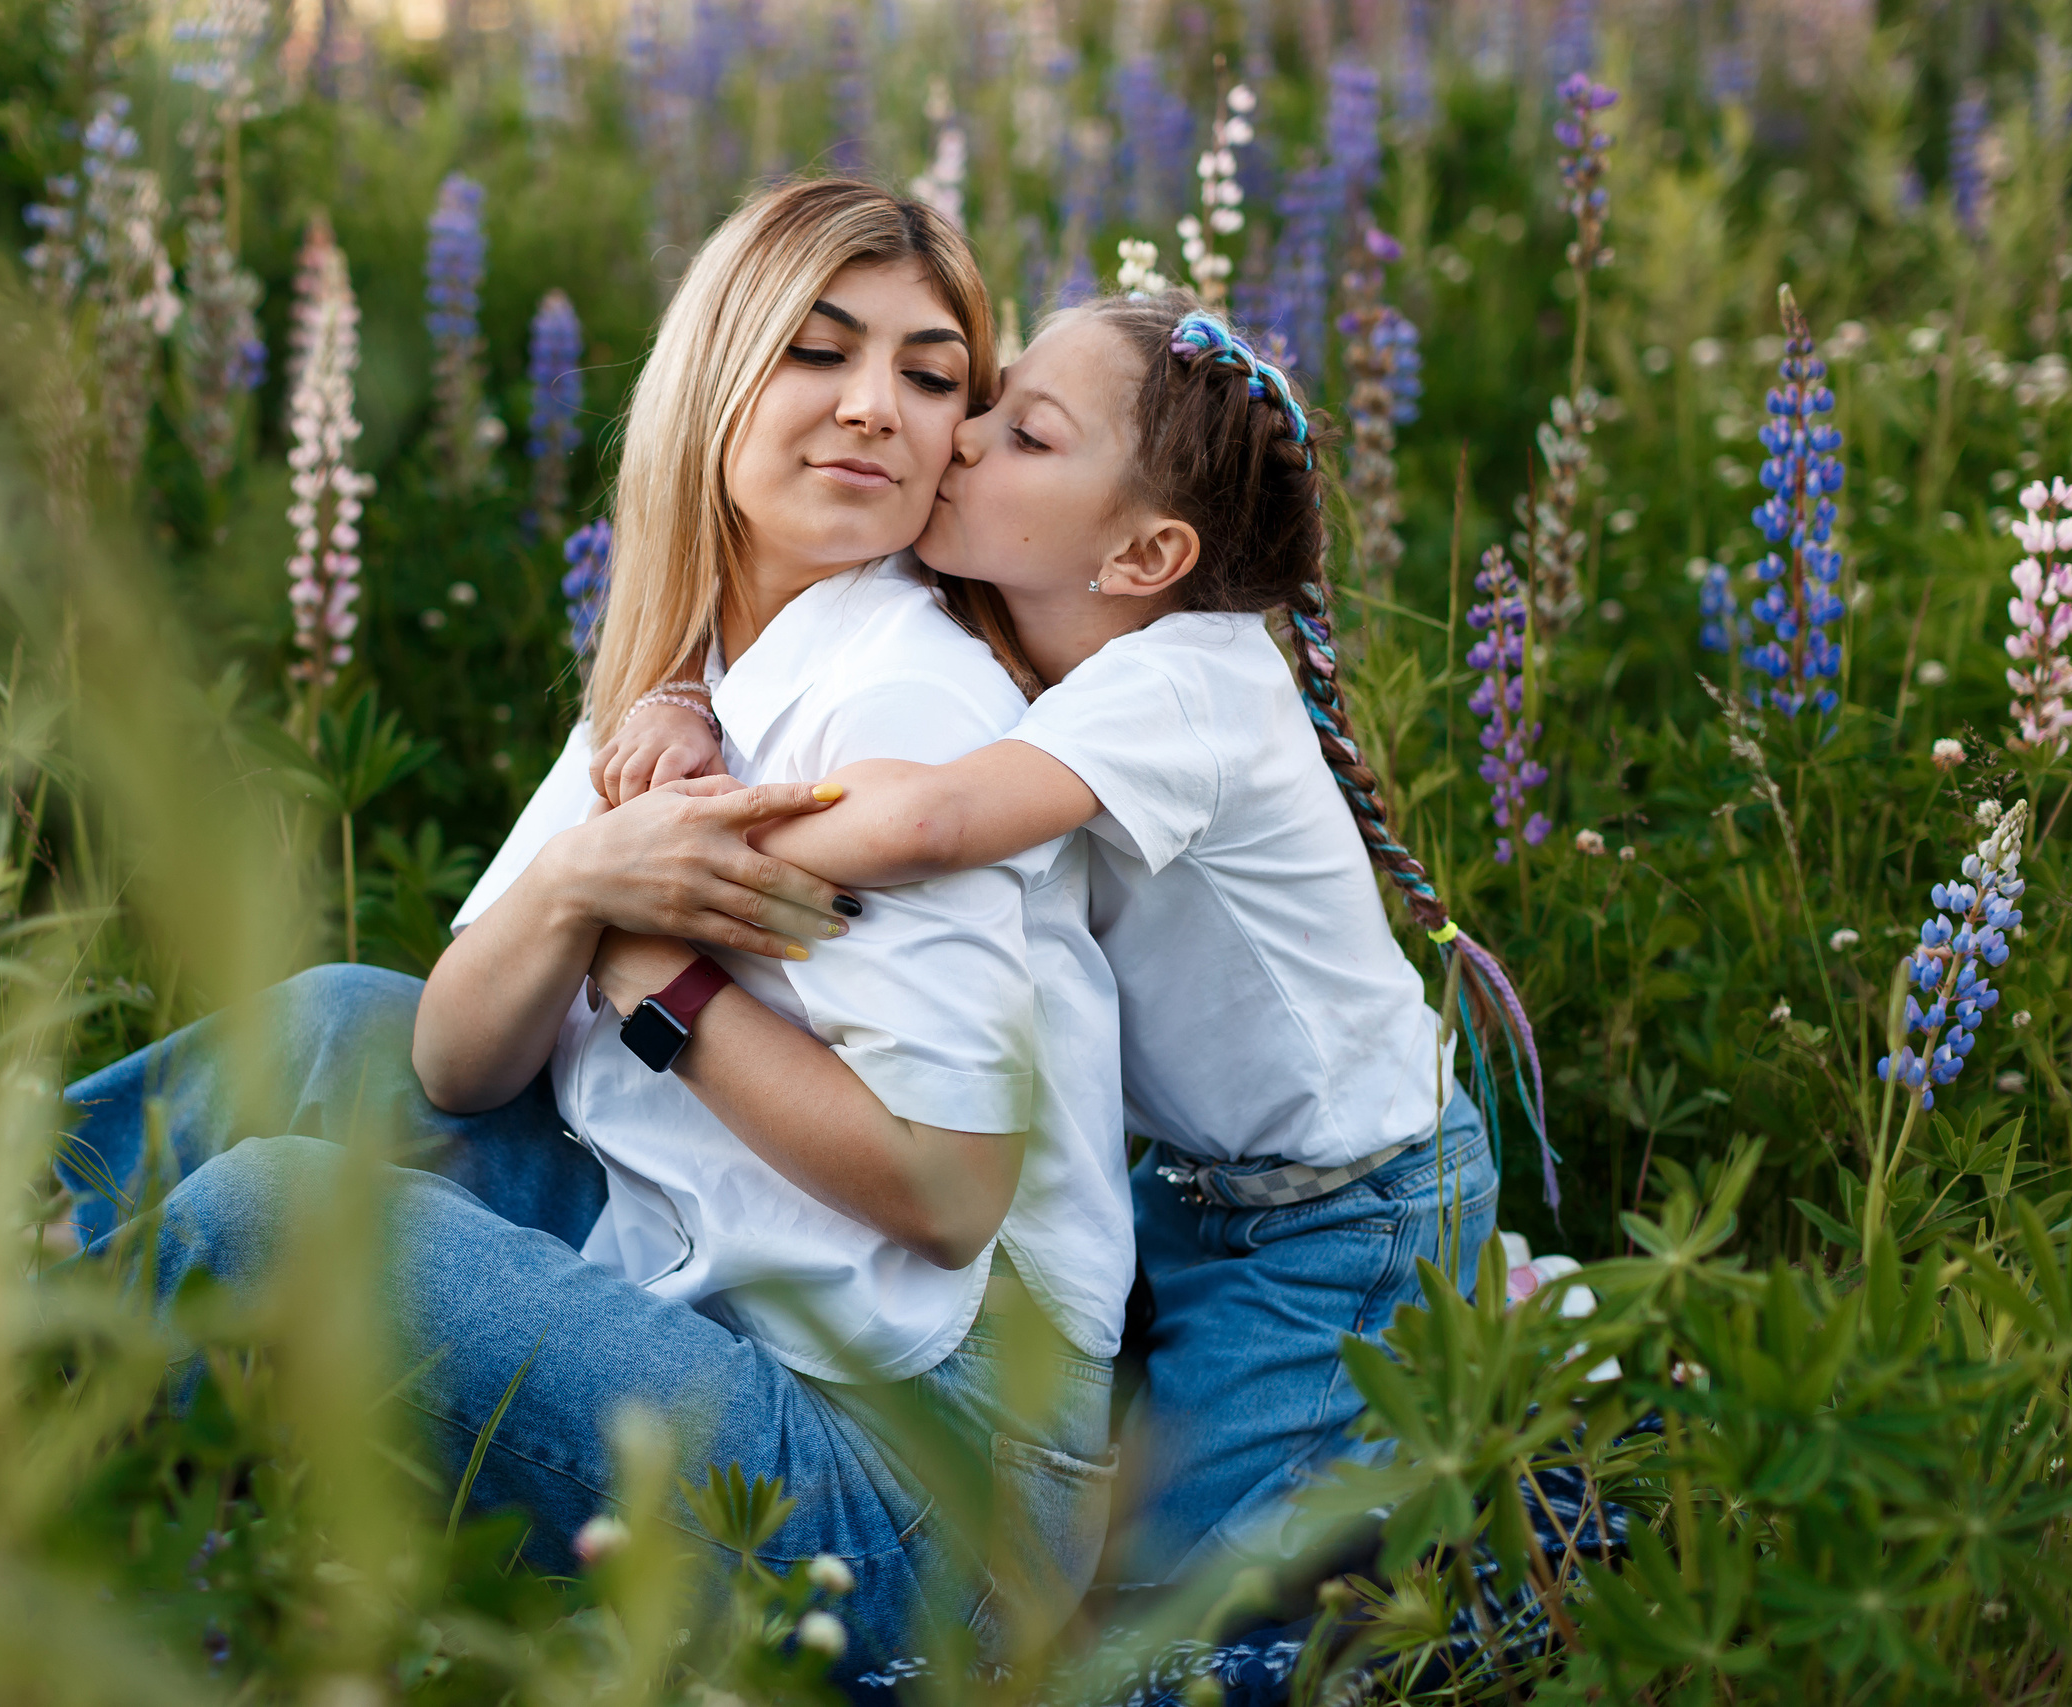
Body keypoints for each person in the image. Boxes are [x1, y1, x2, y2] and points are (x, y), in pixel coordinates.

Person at [57, 179, 1130, 1671]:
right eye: (818, 352)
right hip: (758, 1317)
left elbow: (950, 1192)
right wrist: (577, 886)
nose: (875, 407)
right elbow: (449, 1061)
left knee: (277, 1215)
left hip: (923, 1495)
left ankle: (21, 1474)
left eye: (932, 375)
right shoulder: (697, 664)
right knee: (334, 1024)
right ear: (716, 372)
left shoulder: (903, 699)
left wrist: (649, 971)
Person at [594, 290, 1519, 1585]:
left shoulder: (1192, 679)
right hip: (1192, 1186)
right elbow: (777, 618)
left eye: (1026, 434)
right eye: (989, 400)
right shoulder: (1028, 602)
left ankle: (1487, 1371)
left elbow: (926, 819)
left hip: (1347, 1209)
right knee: (1137, 1543)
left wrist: (668, 863)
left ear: (1142, 560)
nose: (962, 436)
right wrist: (689, 693)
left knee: (1192, 1604)